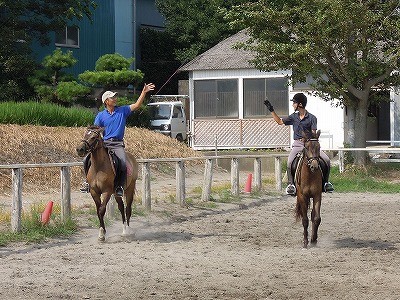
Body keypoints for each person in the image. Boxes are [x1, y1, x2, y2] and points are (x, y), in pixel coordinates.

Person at [81, 83, 155, 196]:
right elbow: (95, 131)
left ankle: (120, 186)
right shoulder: (100, 116)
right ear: (106, 101)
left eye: (115, 97)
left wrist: (143, 92)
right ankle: (87, 182)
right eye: (112, 97)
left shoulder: (122, 111)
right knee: (86, 159)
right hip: (104, 144)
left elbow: (136, 105)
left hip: (117, 144)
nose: (115, 99)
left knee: (122, 162)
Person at [263, 93, 334, 196]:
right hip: (297, 144)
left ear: (300, 104)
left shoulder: (312, 118)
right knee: (289, 162)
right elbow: (279, 122)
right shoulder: (293, 117)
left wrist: (309, 140)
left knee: (326, 160)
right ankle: (291, 185)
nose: (293, 104)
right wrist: (271, 109)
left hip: (309, 145)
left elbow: (313, 133)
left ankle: (326, 183)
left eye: (294, 102)